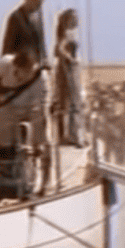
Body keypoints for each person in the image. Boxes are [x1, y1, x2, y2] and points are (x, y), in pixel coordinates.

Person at [0, 47, 50, 196]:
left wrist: (39, 138)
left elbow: (43, 105)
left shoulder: (41, 77)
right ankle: (4, 173)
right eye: (17, 72)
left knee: (43, 142)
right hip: (9, 105)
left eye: (25, 74)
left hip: (32, 107)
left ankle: (44, 183)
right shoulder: (5, 63)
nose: (20, 77)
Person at [52, 8, 83, 146]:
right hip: (67, 70)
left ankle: (67, 135)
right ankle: (72, 135)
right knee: (71, 103)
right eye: (74, 17)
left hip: (67, 69)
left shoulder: (66, 33)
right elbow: (59, 49)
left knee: (66, 103)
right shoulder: (66, 33)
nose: (77, 20)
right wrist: (70, 59)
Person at [0, 0, 47, 66]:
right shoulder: (15, 18)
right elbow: (7, 48)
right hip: (18, 69)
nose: (38, 7)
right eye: (37, 3)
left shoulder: (34, 21)